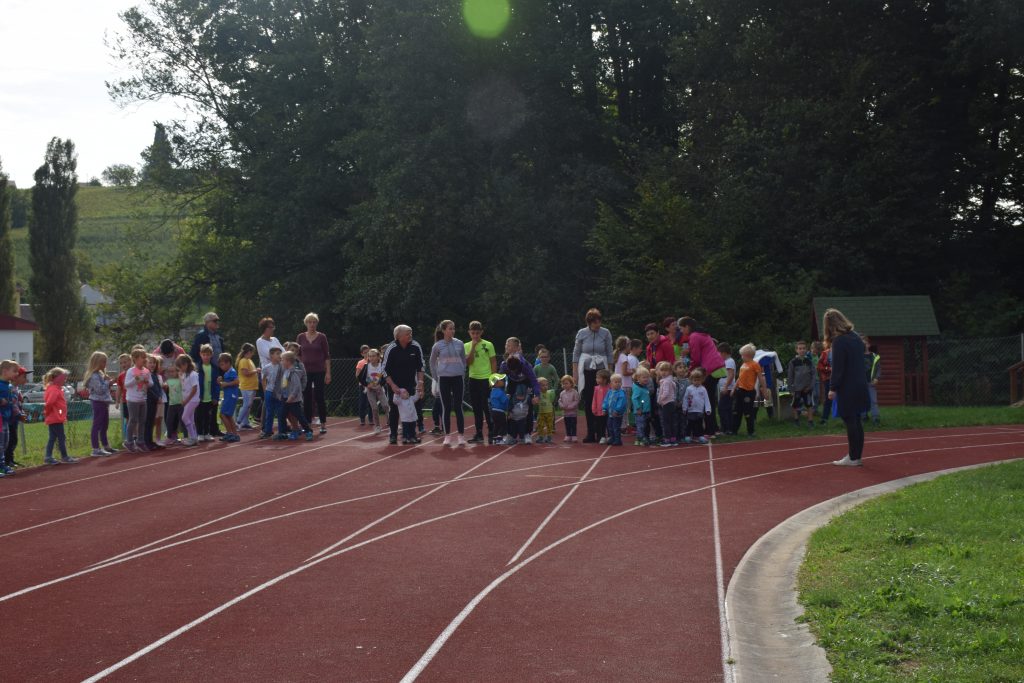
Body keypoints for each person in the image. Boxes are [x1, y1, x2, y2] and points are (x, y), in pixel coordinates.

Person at [825, 309, 871, 467]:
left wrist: (832, 387)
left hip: (847, 386)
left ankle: (853, 457)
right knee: (856, 420)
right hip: (860, 384)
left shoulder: (839, 341)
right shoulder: (856, 338)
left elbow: (838, 368)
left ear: (830, 325)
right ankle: (856, 456)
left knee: (850, 420)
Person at [572, 308, 614, 443]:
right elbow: (576, 353)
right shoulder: (582, 333)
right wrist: (575, 374)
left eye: (599, 321)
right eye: (595, 322)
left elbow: (609, 353)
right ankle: (590, 432)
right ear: (589, 322)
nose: (598, 324)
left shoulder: (606, 333)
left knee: (602, 402)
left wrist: (610, 373)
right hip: (587, 372)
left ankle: (601, 432)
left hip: (601, 371)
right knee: (589, 402)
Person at [678, 317, 726, 435]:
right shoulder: (703, 334)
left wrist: (690, 371)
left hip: (710, 368)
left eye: (681, 328)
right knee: (709, 398)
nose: (681, 331)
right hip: (717, 367)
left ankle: (710, 430)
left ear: (687, 326)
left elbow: (696, 358)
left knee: (706, 399)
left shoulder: (694, 336)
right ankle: (713, 427)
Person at [382, 325, 425, 445]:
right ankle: (393, 435)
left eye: (411, 333)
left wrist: (420, 383)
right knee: (394, 410)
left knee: (412, 410)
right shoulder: (391, 348)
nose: (410, 335)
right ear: (398, 336)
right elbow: (384, 370)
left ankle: (411, 435)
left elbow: (421, 367)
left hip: (410, 384)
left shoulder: (415, 347)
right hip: (395, 384)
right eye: (407, 333)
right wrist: (393, 386)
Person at [430, 320, 468, 447]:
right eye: (450, 329)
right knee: (446, 407)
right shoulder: (437, 345)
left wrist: (462, 371)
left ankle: (461, 436)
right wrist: (436, 376)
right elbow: (432, 362)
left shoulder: (460, 343)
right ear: (444, 330)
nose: (452, 331)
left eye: (453, 328)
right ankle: (447, 436)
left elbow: (463, 359)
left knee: (458, 407)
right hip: (444, 379)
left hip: (458, 378)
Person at [499, 339, 542, 443]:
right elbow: (499, 378)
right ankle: (511, 434)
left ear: (516, 347)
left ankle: (527, 434)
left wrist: (537, 395)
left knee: (527, 407)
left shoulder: (525, 365)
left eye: (508, 345)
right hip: (512, 384)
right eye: (506, 345)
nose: (506, 347)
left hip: (525, 383)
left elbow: (534, 380)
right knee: (511, 407)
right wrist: (497, 392)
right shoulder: (504, 364)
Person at [297, 312, 331, 433]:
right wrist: (299, 370)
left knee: (319, 396)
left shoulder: (322, 337)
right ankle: (307, 424)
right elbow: (298, 355)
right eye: (310, 322)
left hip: (319, 371)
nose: (312, 324)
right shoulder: (300, 337)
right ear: (306, 323)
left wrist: (328, 373)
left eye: (314, 322)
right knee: (306, 397)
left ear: (317, 323)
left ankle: (323, 423)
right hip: (305, 372)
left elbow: (327, 356)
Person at [191, 312, 224, 436]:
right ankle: (203, 430)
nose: (217, 323)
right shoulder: (201, 336)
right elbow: (194, 353)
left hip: (216, 369)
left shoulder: (218, 336)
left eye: (217, 321)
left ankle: (213, 428)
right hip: (205, 370)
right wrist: (200, 367)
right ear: (207, 322)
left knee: (214, 399)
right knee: (204, 401)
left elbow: (221, 352)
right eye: (214, 321)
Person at [464, 322, 497, 443]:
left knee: (486, 406)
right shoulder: (466, 345)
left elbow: (493, 362)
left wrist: (492, 378)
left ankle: (492, 431)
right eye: (473, 333)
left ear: (481, 332)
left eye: (477, 333)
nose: (475, 335)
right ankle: (478, 433)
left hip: (486, 379)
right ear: (469, 333)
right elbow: (468, 362)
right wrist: (473, 346)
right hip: (473, 379)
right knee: (476, 408)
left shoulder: (488, 344)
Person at [734, 344, 772, 437]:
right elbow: (739, 377)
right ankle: (734, 430)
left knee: (748, 412)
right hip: (740, 390)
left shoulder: (755, 364)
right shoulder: (743, 365)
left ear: (748, 355)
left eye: (742, 355)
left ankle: (750, 431)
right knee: (736, 411)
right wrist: (734, 388)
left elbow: (761, 378)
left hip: (749, 392)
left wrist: (764, 390)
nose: (741, 357)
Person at [276, 351, 314, 441]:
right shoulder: (286, 371)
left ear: (288, 361)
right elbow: (284, 385)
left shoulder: (293, 373)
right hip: (285, 398)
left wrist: (292, 396)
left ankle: (308, 431)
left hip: (293, 400)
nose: (281, 362)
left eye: (282, 360)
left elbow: (297, 386)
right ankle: (284, 433)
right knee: (281, 415)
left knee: (299, 416)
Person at [42, 367, 78, 465]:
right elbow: (50, 403)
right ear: (56, 378)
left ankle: (48, 456)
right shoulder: (54, 389)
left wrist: (60, 413)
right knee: (61, 437)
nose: (65, 380)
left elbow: (58, 405)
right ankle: (64, 456)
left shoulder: (55, 389)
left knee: (53, 438)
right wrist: (48, 412)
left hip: (56, 418)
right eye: (63, 378)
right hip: (55, 419)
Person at [84, 351, 116, 456]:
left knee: (105, 425)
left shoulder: (100, 375)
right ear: (96, 363)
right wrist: (108, 382)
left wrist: (108, 382)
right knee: (97, 425)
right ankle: (95, 448)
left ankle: (106, 445)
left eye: (105, 362)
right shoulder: (94, 376)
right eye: (103, 362)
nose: (105, 364)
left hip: (103, 402)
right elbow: (100, 390)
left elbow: (104, 389)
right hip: (98, 402)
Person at [124, 348, 154, 452]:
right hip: (132, 400)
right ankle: (129, 442)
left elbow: (151, 383)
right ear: (135, 359)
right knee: (133, 420)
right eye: (142, 357)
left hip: (143, 399)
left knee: (142, 421)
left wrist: (146, 381)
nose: (145, 359)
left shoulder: (146, 371)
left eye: (145, 357)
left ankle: (140, 441)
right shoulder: (131, 371)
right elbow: (126, 385)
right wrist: (135, 379)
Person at [358, 348, 389, 434]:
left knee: (386, 405)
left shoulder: (382, 366)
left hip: (379, 389)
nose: (371, 358)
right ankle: (377, 426)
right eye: (370, 356)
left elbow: (386, 377)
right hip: (370, 390)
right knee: (374, 408)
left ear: (378, 357)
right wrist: (367, 385)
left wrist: (380, 384)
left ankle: (390, 421)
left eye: (373, 356)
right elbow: (360, 378)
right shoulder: (366, 366)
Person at [3, 365, 28, 469]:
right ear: (17, 377)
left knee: (13, 439)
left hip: (14, 419)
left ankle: (10, 460)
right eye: (24, 377)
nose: (26, 380)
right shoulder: (11, 389)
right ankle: (7, 461)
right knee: (10, 440)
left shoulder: (16, 389)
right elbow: (13, 405)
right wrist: (19, 414)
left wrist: (21, 412)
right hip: (10, 419)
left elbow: (18, 403)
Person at [787, 340, 816, 428]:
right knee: (795, 404)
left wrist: (810, 386)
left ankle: (810, 421)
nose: (802, 350)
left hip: (807, 388)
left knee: (809, 405)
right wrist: (791, 388)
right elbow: (790, 376)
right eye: (800, 349)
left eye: (803, 348)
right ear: (796, 350)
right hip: (797, 388)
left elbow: (814, 375)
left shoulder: (809, 362)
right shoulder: (793, 362)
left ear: (806, 350)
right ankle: (796, 420)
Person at [195, 344, 221, 442]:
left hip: (210, 396)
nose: (206, 356)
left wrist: (215, 397)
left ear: (211, 355)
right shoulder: (197, 367)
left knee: (208, 416)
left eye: (208, 354)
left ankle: (207, 433)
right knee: (199, 416)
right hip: (200, 397)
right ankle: (200, 433)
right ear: (200, 354)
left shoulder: (214, 368)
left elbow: (217, 384)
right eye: (204, 354)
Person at [614, 335, 637, 433]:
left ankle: (622, 425)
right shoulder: (624, 358)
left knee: (621, 406)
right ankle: (624, 426)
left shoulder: (618, 356)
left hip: (620, 385)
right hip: (626, 385)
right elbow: (624, 372)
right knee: (626, 407)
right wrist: (635, 371)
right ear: (626, 346)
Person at [259, 347, 284, 440]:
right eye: (277, 353)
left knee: (280, 412)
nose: (279, 356)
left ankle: (281, 431)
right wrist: (265, 390)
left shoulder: (282, 366)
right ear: (271, 355)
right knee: (269, 413)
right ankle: (268, 431)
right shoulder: (267, 367)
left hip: (279, 393)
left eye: (280, 354)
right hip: (269, 392)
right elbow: (263, 379)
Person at [176, 354, 200, 447]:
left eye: (180, 367)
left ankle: (193, 438)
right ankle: (194, 437)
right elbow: (184, 386)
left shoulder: (193, 374)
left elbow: (194, 389)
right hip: (188, 400)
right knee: (190, 418)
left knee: (184, 417)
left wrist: (186, 400)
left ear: (185, 364)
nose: (179, 369)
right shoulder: (185, 374)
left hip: (192, 400)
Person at [143, 355, 166, 450]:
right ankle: (146, 441)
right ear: (146, 364)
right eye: (150, 362)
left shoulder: (155, 375)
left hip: (155, 400)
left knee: (152, 420)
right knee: (148, 421)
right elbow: (150, 389)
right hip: (149, 400)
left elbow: (157, 388)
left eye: (154, 363)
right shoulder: (147, 374)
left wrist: (159, 396)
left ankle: (150, 441)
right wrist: (157, 397)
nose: (152, 364)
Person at [683, 368, 712, 444]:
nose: (696, 382)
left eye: (698, 380)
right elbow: (685, 399)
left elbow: (706, 399)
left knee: (699, 424)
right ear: (691, 380)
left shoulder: (703, 389)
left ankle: (700, 436)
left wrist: (708, 409)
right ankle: (688, 436)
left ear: (702, 380)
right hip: (691, 410)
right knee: (690, 424)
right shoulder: (689, 389)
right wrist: (684, 408)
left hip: (699, 410)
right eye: (695, 380)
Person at [217, 353, 241, 442]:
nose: (221, 367)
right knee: (229, 415)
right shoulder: (227, 372)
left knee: (222, 414)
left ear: (228, 363)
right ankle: (234, 434)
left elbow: (237, 381)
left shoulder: (232, 371)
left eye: (222, 364)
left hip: (231, 396)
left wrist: (226, 383)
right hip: (229, 395)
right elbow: (225, 385)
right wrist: (220, 382)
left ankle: (230, 433)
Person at [236, 343, 259, 430]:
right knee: (247, 404)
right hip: (246, 386)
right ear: (249, 351)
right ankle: (238, 421)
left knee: (248, 405)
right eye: (252, 352)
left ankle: (245, 422)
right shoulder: (244, 361)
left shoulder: (249, 360)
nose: (253, 354)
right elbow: (245, 373)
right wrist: (256, 371)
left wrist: (255, 371)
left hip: (251, 386)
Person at [655, 361, 677, 447]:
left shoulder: (666, 381)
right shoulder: (670, 380)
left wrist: (659, 400)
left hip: (666, 404)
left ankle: (667, 440)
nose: (663, 372)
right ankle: (673, 439)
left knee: (666, 422)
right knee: (671, 421)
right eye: (662, 370)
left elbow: (665, 393)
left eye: (666, 370)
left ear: (670, 371)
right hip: (671, 403)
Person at [717, 343, 737, 435]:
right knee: (726, 408)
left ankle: (726, 428)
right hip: (726, 388)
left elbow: (731, 375)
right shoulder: (727, 361)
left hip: (728, 389)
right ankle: (728, 428)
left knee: (723, 408)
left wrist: (725, 386)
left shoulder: (729, 361)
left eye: (719, 354)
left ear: (724, 353)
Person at [602, 373, 627, 446]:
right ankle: (612, 438)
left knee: (616, 427)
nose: (618, 384)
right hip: (610, 414)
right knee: (610, 426)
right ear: (611, 384)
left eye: (619, 382)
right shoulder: (610, 392)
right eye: (615, 382)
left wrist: (617, 410)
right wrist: (604, 408)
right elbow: (606, 401)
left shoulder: (621, 393)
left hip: (617, 414)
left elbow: (621, 403)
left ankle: (617, 440)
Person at [862, 336, 881, 425]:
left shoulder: (875, 356)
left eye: (865, 343)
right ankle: (863, 416)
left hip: (871, 382)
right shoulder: (857, 356)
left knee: (873, 400)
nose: (863, 345)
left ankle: (875, 418)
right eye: (861, 343)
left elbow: (878, 369)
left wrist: (877, 378)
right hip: (860, 382)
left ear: (868, 345)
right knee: (861, 399)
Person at [631, 367, 652, 446]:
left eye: (647, 377)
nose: (646, 379)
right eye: (644, 377)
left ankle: (640, 438)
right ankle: (641, 438)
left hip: (646, 410)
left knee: (645, 425)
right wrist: (638, 408)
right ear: (638, 378)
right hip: (640, 411)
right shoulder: (637, 388)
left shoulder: (644, 387)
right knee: (641, 425)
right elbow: (634, 398)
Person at [163, 364, 184, 445]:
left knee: (182, 421)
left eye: (173, 371)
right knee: (169, 421)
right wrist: (164, 386)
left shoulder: (180, 380)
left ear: (177, 372)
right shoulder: (168, 381)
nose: (171, 373)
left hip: (180, 404)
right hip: (171, 404)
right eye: (169, 372)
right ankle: (169, 437)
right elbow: (164, 386)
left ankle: (186, 436)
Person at [591, 368, 611, 444]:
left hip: (608, 410)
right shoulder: (596, 388)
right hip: (599, 410)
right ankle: (602, 436)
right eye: (597, 378)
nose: (597, 379)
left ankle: (610, 436)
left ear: (605, 380)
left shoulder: (610, 388)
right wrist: (594, 408)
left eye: (599, 378)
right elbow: (594, 399)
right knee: (601, 424)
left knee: (608, 423)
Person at [558, 375, 580, 443]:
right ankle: (568, 435)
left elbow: (576, 400)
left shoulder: (574, 392)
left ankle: (574, 435)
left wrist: (570, 406)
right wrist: (562, 406)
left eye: (566, 383)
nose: (565, 385)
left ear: (571, 383)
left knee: (573, 424)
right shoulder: (562, 393)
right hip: (565, 413)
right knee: (567, 424)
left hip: (573, 413)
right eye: (563, 383)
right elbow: (560, 400)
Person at [489, 374, 509, 444]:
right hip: (500, 412)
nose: (503, 381)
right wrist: (508, 398)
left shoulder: (492, 392)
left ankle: (494, 438)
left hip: (493, 411)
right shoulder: (500, 392)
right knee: (503, 425)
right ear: (496, 383)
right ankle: (499, 439)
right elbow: (505, 401)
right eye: (501, 380)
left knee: (496, 425)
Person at [535, 377, 556, 443]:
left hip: (549, 412)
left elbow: (552, 400)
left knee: (550, 425)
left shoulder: (550, 393)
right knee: (540, 425)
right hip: (541, 412)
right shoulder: (538, 394)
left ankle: (549, 437)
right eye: (543, 385)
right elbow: (535, 402)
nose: (545, 387)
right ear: (538, 386)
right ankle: (540, 436)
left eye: (546, 385)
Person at [355, 345, 371, 426]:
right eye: (365, 353)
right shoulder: (361, 363)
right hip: (363, 386)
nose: (367, 354)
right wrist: (364, 384)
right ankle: (362, 418)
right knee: (363, 402)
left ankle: (371, 419)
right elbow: (357, 375)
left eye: (368, 351)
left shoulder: (373, 361)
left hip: (372, 385)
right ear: (362, 354)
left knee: (371, 402)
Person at [817, 344, 833, 425]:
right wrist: (828, 368)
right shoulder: (825, 353)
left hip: (841, 379)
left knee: (843, 398)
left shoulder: (843, 352)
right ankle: (824, 419)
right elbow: (819, 366)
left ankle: (848, 419)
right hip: (828, 379)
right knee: (828, 399)